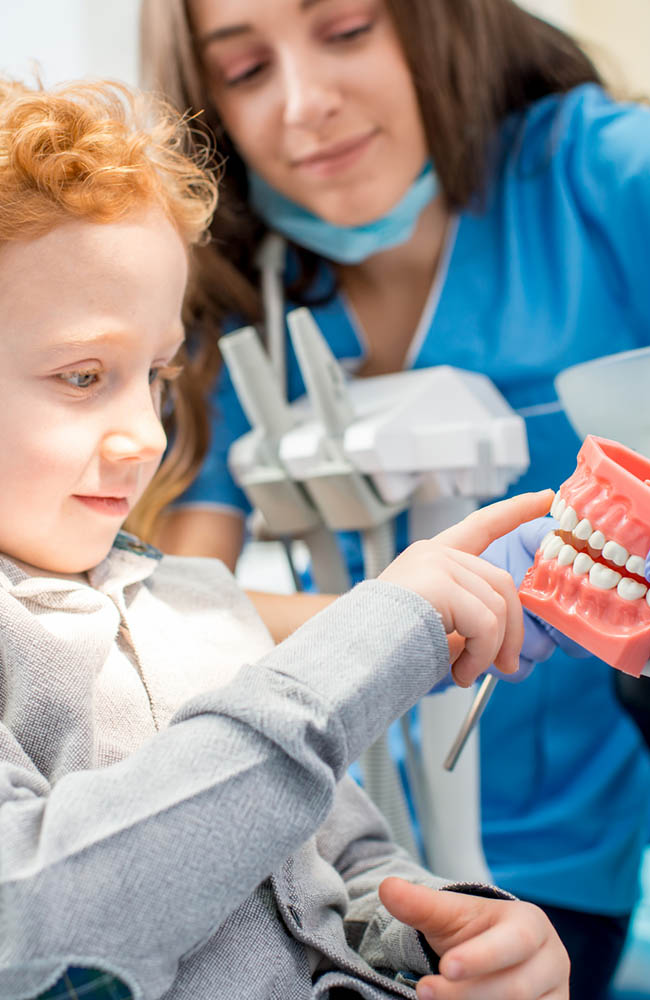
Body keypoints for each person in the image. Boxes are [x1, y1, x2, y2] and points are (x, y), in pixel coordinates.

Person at [0, 75, 568, 1000]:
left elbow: (339, 869)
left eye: (153, 375)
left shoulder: (201, 610)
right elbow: (37, 925)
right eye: (81, 376)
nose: (147, 432)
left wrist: (446, 935)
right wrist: (370, 637)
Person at [139, 2, 650, 997]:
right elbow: (166, 611)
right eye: (244, 72)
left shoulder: (603, 179)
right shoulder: (234, 303)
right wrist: (411, 615)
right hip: (327, 853)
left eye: (343, 30)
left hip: (554, 860)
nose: (304, 105)